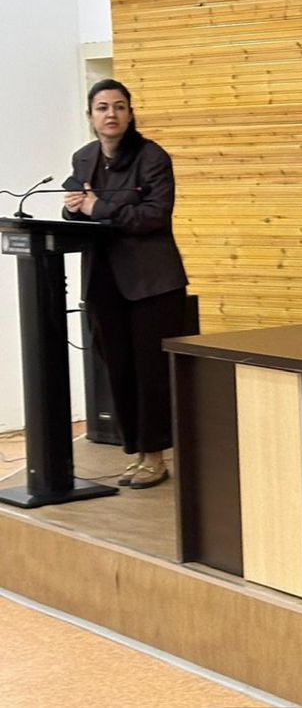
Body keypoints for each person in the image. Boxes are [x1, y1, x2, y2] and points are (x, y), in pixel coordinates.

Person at [62, 79, 189, 489]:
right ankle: (135, 452)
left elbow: (154, 216)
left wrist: (101, 207)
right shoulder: (83, 159)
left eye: (119, 107)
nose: (110, 114)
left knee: (150, 371)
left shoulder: (152, 157)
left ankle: (156, 456)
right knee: (118, 369)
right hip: (104, 283)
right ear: (91, 116)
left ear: (131, 113)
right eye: (102, 108)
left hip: (151, 283)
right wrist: (73, 210)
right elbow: (80, 212)